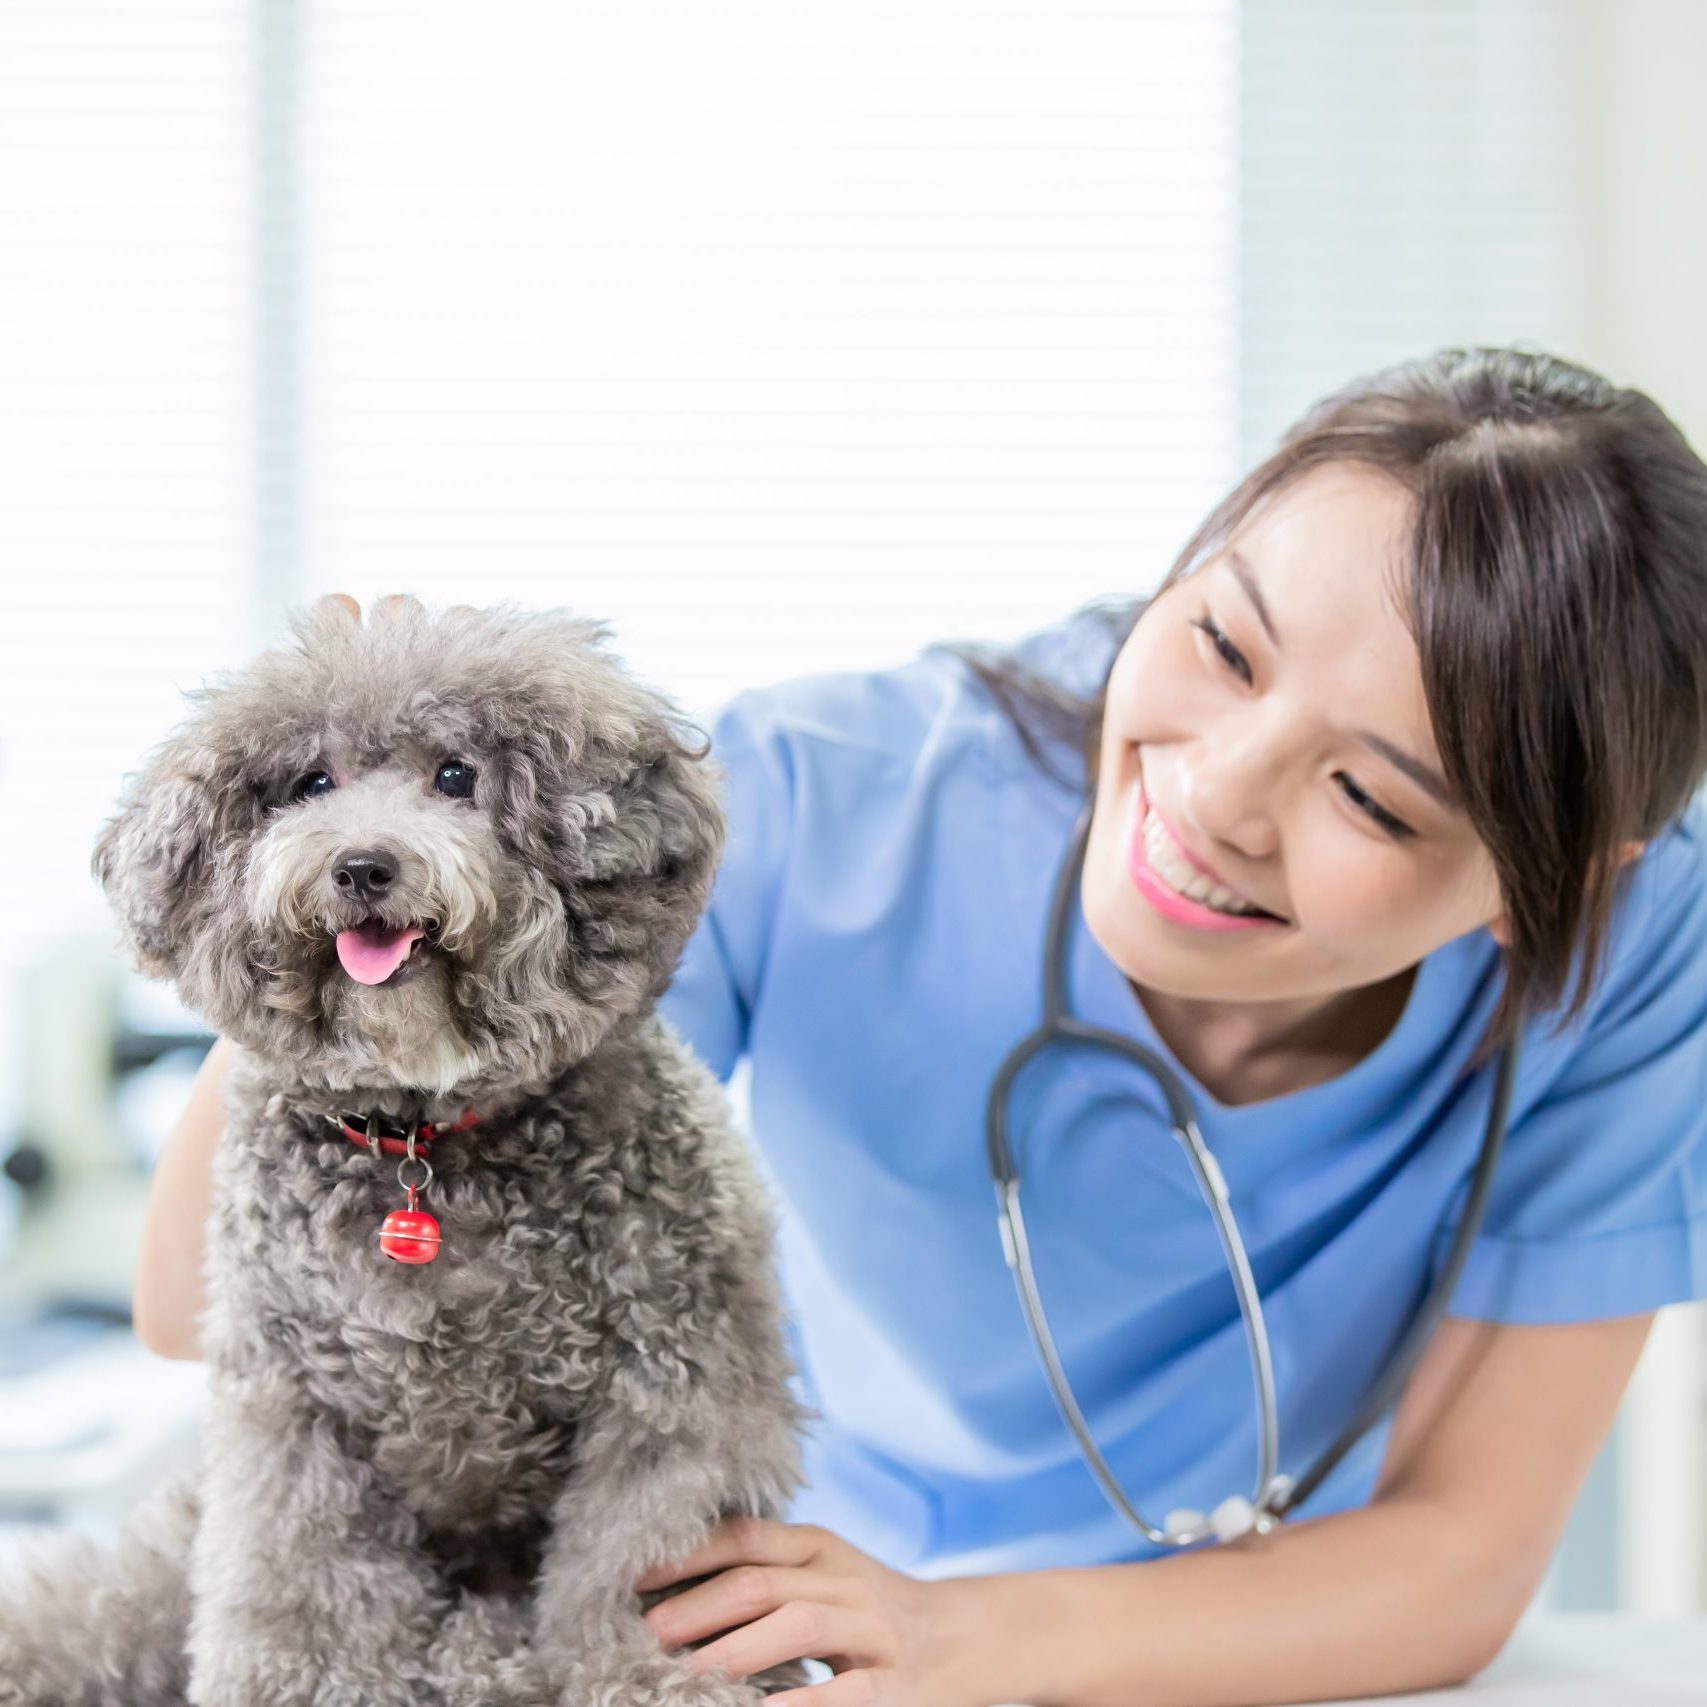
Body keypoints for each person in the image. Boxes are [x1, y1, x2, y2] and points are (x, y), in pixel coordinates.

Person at [130, 346, 1707, 1707]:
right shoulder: (828, 800)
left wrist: (974, 1636)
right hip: (791, 1618)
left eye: (1368, 792)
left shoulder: (1639, 949)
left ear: (1558, 878)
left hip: (1224, 1648)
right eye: (1223, 643)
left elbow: (1458, 1559)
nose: (1214, 794)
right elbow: (193, 1300)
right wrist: (355, 850)